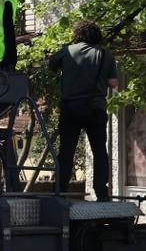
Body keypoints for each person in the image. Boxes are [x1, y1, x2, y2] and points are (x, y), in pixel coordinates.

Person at [50, 19, 119, 201]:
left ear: (77, 35)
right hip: (95, 109)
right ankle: (101, 192)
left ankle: (60, 190)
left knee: (66, 151)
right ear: (97, 36)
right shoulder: (106, 55)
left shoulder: (67, 51)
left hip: (70, 109)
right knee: (99, 151)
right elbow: (113, 82)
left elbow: (51, 66)